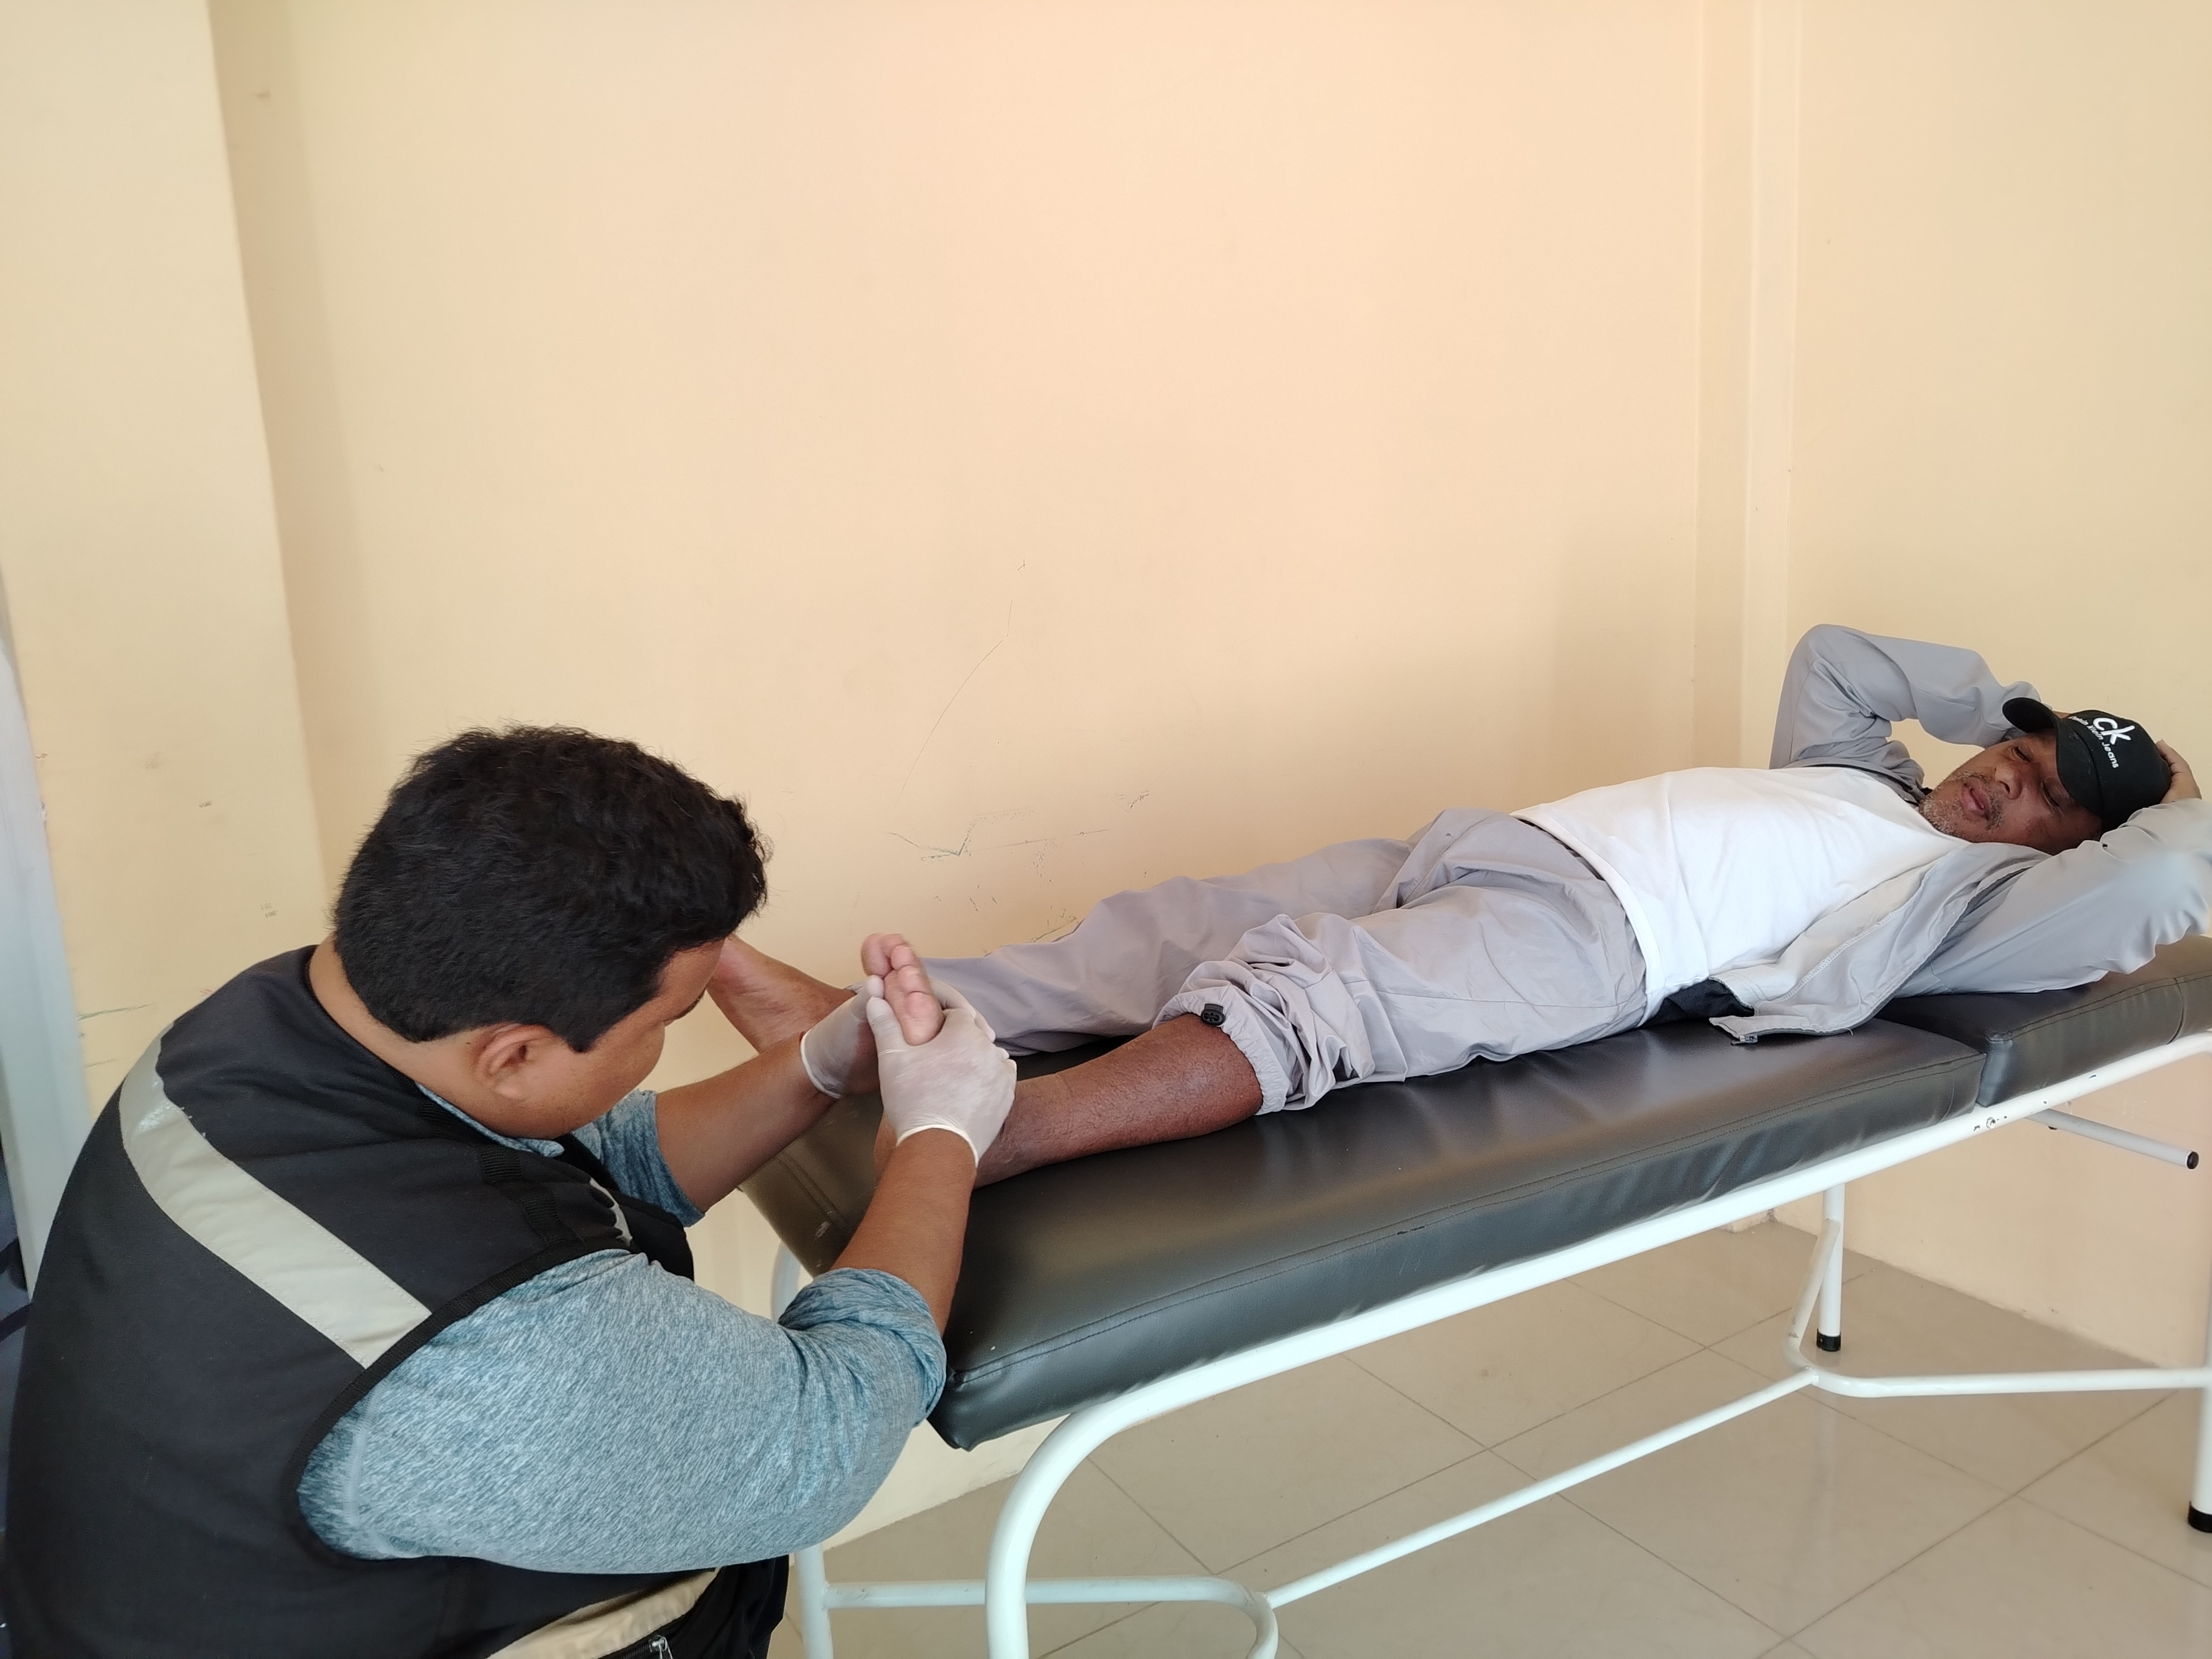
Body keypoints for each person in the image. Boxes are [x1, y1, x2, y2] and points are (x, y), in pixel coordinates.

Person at [4, 728, 1010, 1658]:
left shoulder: (253, 1033)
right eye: (664, 1024)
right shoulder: (477, 1355)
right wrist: (941, 1135)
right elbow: (825, 1434)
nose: (666, 1043)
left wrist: (819, 1066)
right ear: (515, 1053)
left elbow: (565, 1162)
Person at [716, 626, 2211, 1184]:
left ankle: (992, 1136)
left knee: (1308, 996)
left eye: (2041, 794)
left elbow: (2159, 875)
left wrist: (2164, 795)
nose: (1999, 783)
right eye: (2010, 757)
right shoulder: (1863, 775)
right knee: (1162, 929)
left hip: (1599, 947)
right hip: (1499, 844)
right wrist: (2016, 707)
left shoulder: (1979, 904)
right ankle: (853, 1029)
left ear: (2068, 847)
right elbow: (1836, 654)